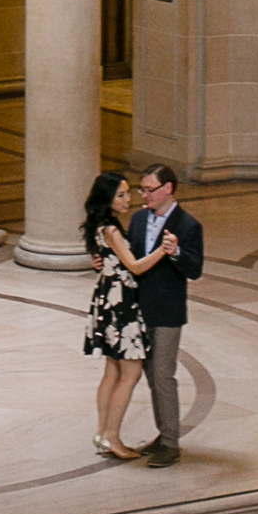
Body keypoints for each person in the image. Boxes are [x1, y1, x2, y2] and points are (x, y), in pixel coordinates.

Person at [117, 161, 204, 468]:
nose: (144, 196)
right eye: (142, 189)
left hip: (167, 312)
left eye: (150, 190)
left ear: (168, 189)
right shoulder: (139, 219)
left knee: (163, 375)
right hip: (139, 309)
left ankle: (170, 443)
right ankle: (163, 433)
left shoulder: (189, 226)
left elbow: (195, 271)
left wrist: (177, 252)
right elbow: (129, 257)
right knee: (151, 377)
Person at [79, 170, 145, 460]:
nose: (127, 199)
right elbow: (136, 266)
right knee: (131, 371)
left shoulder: (100, 226)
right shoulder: (112, 230)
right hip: (121, 304)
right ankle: (112, 436)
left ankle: (102, 432)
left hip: (106, 299)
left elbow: (106, 260)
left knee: (112, 370)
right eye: (121, 195)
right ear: (107, 199)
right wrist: (165, 251)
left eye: (128, 193)